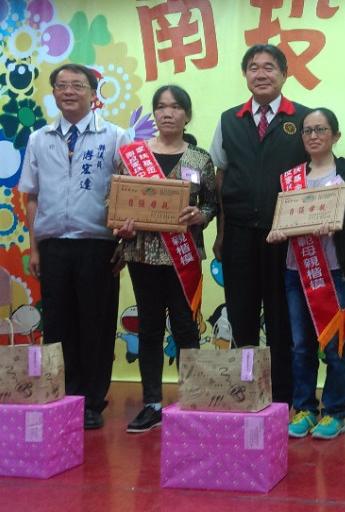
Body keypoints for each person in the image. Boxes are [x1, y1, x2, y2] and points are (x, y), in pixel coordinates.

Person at [19, 63, 133, 430]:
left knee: (96, 325)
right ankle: (61, 396)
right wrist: (35, 248)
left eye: (77, 85)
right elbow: (32, 197)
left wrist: (123, 241)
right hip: (53, 245)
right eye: (62, 85)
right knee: (57, 324)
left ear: (93, 93)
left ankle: (91, 402)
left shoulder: (115, 136)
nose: (69, 91)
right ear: (54, 92)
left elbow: (128, 194)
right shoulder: (39, 139)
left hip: (97, 245)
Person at [209, 44, 311, 405]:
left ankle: (282, 399)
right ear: (245, 75)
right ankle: (247, 393)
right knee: (242, 316)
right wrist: (221, 233)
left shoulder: (303, 118)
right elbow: (221, 176)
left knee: (283, 321)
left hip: (286, 237)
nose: (261, 74)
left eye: (269, 67)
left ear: (284, 74)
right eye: (253, 67)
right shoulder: (229, 120)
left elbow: (319, 167)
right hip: (239, 235)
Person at [114, 85, 217, 433]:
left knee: (186, 327)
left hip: (183, 256)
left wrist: (200, 215)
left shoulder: (200, 159)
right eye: (160, 107)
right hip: (142, 254)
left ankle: (194, 400)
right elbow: (114, 199)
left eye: (175, 107)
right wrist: (120, 224)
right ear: (154, 113)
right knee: (149, 329)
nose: (167, 113)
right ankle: (152, 404)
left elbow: (211, 203)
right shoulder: (132, 155)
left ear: (187, 115)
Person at [266, 108, 345, 440]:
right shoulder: (290, 177)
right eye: (308, 130)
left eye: (321, 129)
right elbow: (282, 218)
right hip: (297, 272)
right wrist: (277, 231)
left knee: (337, 347)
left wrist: (337, 224)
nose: (313, 136)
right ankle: (305, 409)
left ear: (335, 135)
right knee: (301, 346)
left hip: (338, 272)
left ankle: (335, 412)